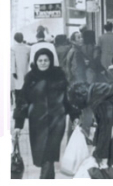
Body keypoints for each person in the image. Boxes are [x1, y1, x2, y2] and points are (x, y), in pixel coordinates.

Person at [13, 48, 75, 179]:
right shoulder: (31, 78)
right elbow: (22, 101)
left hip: (57, 120)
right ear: (35, 61)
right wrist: (18, 124)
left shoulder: (59, 76)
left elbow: (67, 98)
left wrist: (74, 115)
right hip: (37, 121)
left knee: (49, 155)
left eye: (46, 60)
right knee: (42, 155)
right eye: (40, 60)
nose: (43, 63)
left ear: (51, 61)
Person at [11, 32, 31, 104]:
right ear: (22, 38)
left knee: (18, 88)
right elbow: (30, 60)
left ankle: (18, 104)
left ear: (14, 39)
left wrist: (13, 72)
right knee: (26, 86)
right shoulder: (28, 48)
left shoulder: (12, 48)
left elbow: (12, 61)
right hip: (26, 69)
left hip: (17, 71)